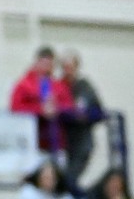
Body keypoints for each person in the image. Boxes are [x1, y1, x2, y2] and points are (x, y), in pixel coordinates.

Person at [11, 47, 73, 155]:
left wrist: (57, 108)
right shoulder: (24, 85)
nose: (47, 67)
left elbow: (69, 107)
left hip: (56, 141)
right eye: (44, 63)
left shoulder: (59, 86)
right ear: (37, 62)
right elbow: (16, 107)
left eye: (50, 64)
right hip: (31, 142)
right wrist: (40, 109)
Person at [58, 49, 103, 193]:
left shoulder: (85, 87)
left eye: (70, 67)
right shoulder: (57, 86)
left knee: (70, 179)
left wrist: (86, 116)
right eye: (65, 67)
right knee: (61, 179)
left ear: (77, 67)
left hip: (81, 142)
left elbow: (99, 112)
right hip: (62, 142)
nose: (68, 71)